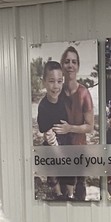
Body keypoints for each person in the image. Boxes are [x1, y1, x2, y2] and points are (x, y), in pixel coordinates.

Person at [55, 44, 94, 201]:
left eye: (74, 62)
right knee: (61, 197)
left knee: (79, 197)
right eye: (67, 61)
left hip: (78, 154)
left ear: (78, 66)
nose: (70, 65)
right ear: (62, 66)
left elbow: (90, 126)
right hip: (59, 153)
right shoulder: (55, 92)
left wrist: (70, 128)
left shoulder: (84, 93)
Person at [36, 60, 69, 200]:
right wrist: (58, 150)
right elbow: (48, 134)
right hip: (52, 144)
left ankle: (69, 192)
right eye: (51, 81)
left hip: (65, 140)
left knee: (67, 171)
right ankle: (58, 193)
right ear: (44, 82)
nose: (56, 86)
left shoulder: (64, 100)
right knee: (54, 170)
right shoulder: (43, 107)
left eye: (59, 81)